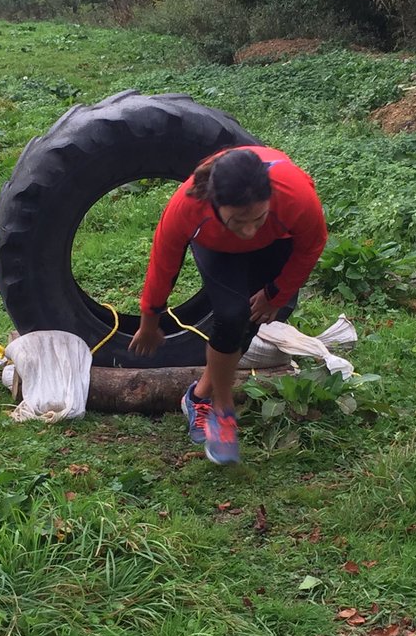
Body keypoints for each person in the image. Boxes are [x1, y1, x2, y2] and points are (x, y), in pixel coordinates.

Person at [129, 145, 327, 464]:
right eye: (238, 221)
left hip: (276, 239)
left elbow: (312, 244)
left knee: (260, 316)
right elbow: (163, 263)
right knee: (232, 314)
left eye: (257, 217)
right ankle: (222, 409)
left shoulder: (295, 195)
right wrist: (150, 321)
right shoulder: (188, 206)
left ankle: (197, 396)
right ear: (215, 203)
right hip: (217, 246)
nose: (248, 231)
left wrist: (275, 293)